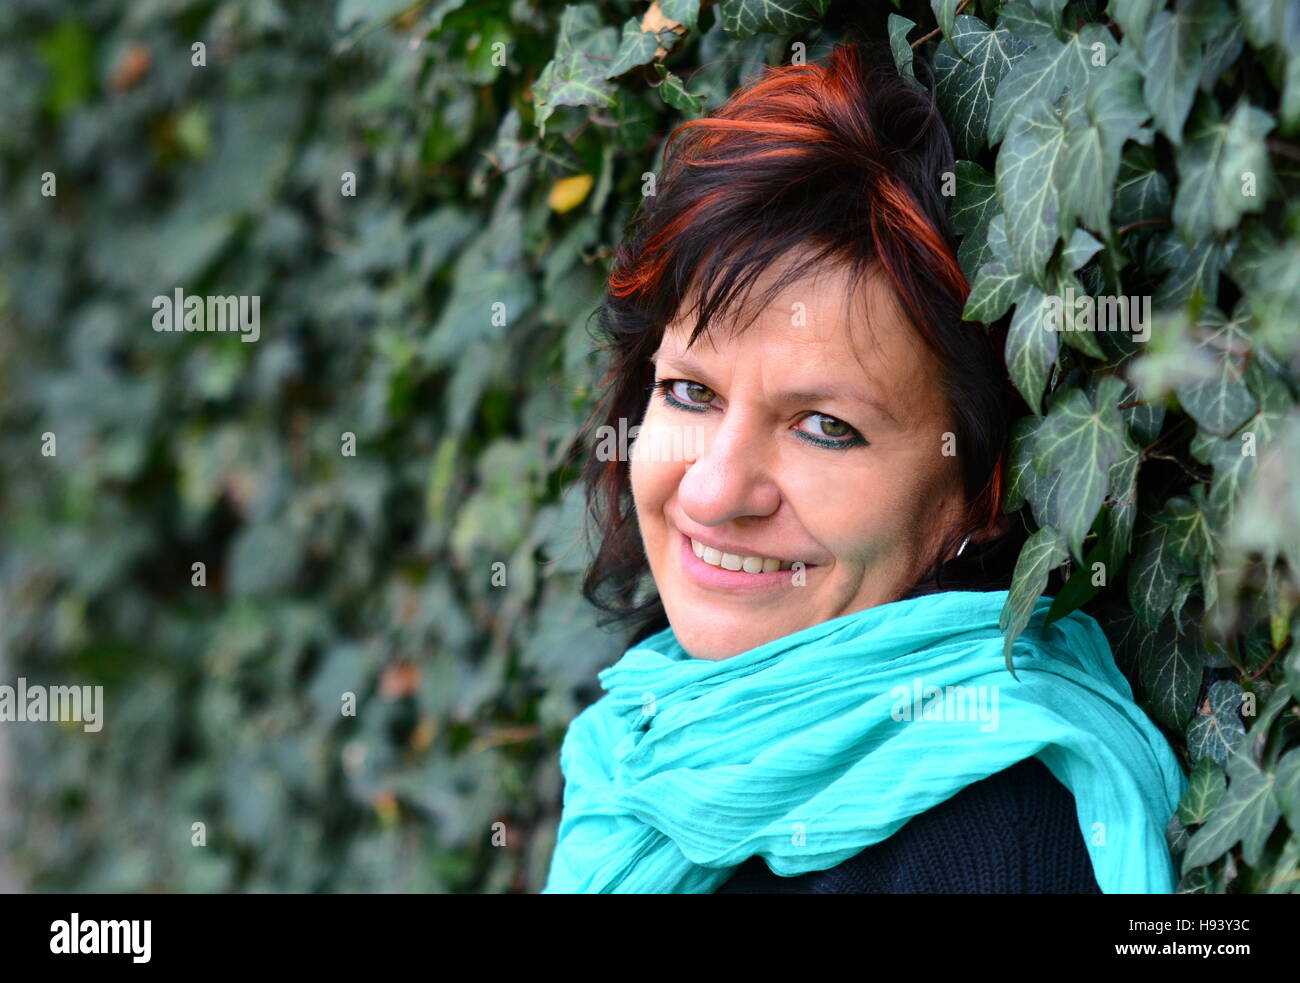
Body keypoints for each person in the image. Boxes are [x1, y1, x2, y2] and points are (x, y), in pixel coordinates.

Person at [542, 41, 1186, 894]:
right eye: (691, 393)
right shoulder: (645, 744)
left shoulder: (992, 850)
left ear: (983, 491)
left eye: (823, 426)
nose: (713, 489)